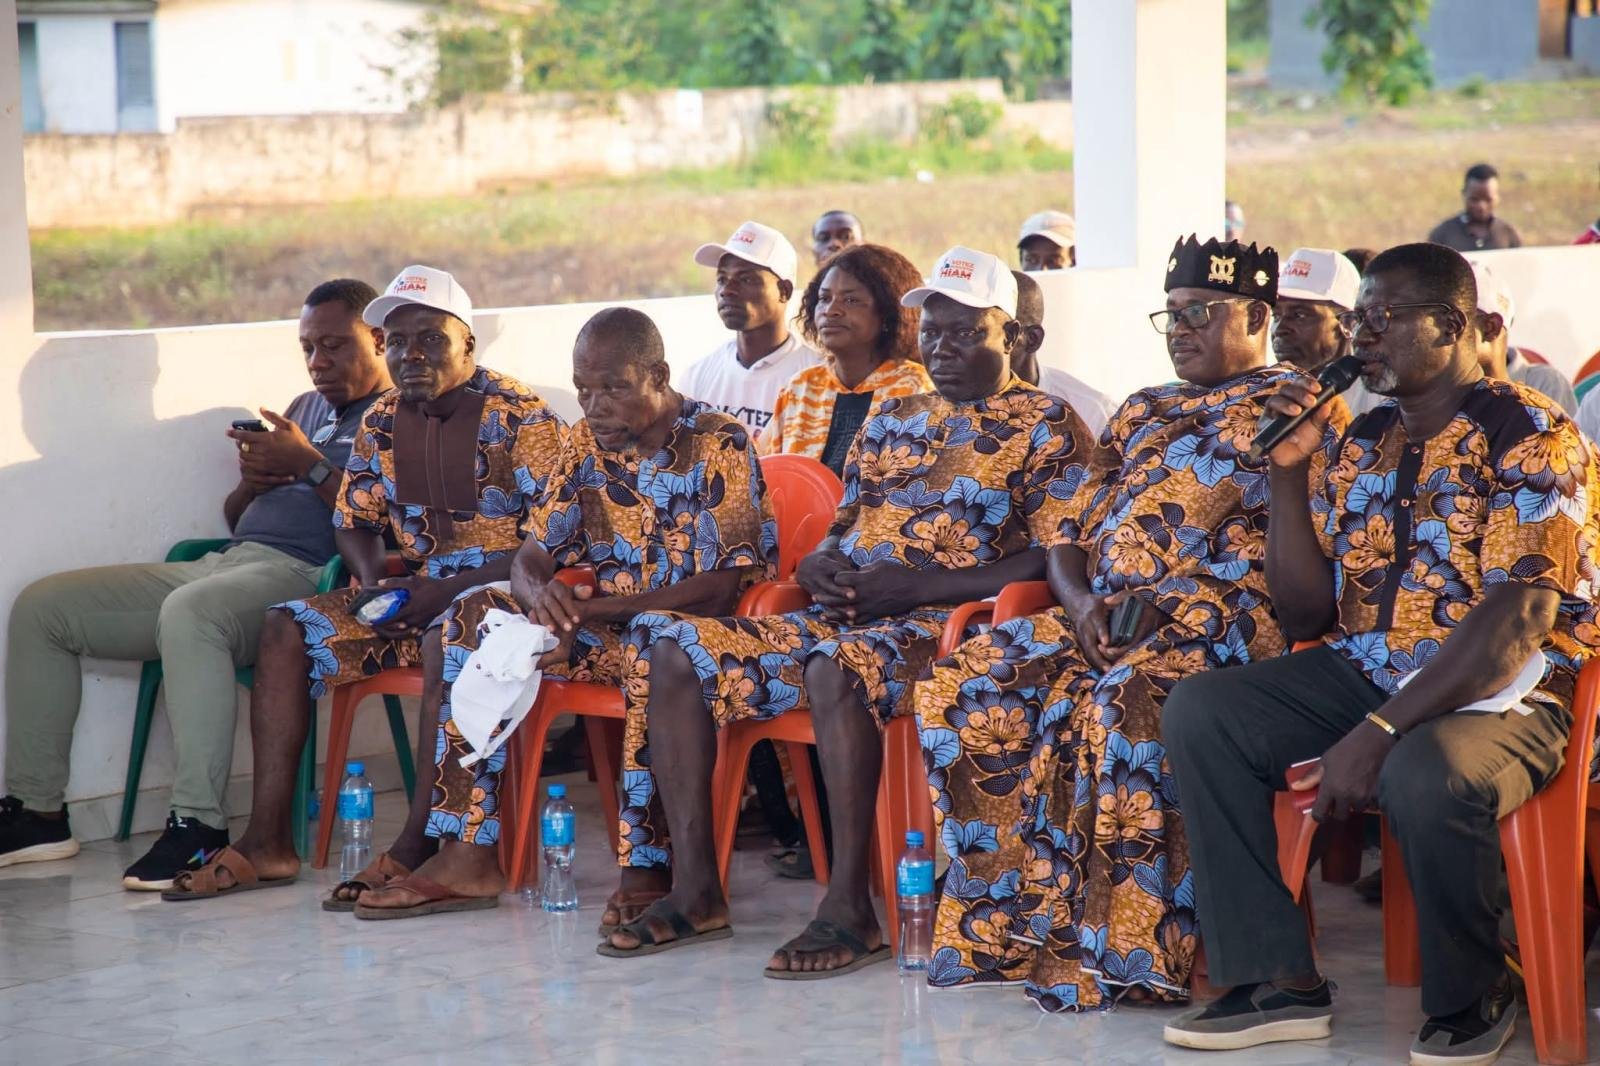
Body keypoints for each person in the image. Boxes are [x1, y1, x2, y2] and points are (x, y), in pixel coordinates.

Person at [600, 247, 1098, 974]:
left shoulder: (1047, 426)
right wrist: (820, 566)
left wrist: (918, 590)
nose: (944, 347)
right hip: (846, 615)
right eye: (933, 330)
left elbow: (1052, 558)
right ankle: (695, 890)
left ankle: (849, 909)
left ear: (1014, 338)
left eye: (967, 332)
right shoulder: (892, 418)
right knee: (670, 645)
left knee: (839, 665)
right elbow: (838, 532)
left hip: (949, 631)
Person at [1161, 243, 1598, 1065]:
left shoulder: (1531, 432)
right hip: (1368, 667)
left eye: (1385, 318)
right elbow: (1306, 611)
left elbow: (1519, 616)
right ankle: (1278, 978)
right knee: (1204, 711)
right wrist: (1288, 473)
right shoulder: (1361, 440)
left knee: (1424, 770)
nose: (1363, 337)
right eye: (1359, 319)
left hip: (1513, 689)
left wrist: (1381, 731)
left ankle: (1479, 987)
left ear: (1456, 326)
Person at [914, 236, 1348, 1011]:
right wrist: (1079, 605)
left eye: (1201, 314)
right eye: (1172, 315)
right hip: (1102, 617)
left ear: (1256, 315)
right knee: (965, 681)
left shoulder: (1301, 406)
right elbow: (1067, 535)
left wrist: (1145, 616)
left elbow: (1310, 565)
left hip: (1225, 628)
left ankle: (1131, 952)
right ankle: (1008, 926)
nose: (1181, 329)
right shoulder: (1143, 408)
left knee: (1123, 702)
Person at [354, 307, 777, 920]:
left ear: (658, 376)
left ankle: (648, 868)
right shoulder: (585, 441)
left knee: (656, 642)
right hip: (597, 629)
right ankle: (467, 851)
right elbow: (531, 556)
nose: (595, 405)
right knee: (473, 615)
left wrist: (591, 612)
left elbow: (719, 590)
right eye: (583, 388)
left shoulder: (719, 442)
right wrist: (539, 599)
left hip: (700, 642)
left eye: (614, 388)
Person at [160, 266, 565, 900]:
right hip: (416, 596)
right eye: (398, 341)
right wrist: (377, 582)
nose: (411, 355)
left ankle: (419, 844)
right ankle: (267, 841)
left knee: (449, 633)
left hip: (505, 597)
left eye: (430, 339)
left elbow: (553, 545)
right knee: (285, 627)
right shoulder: (384, 420)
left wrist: (442, 594)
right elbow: (354, 520)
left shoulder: (524, 419)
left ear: (468, 344)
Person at [0, 279, 391, 889]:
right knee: (44, 606)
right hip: (228, 562)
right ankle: (36, 813)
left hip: (306, 577)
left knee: (192, 612)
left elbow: (389, 528)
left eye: (335, 347)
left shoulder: (397, 417)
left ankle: (199, 828)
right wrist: (255, 482)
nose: (318, 363)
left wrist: (308, 465)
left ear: (380, 340)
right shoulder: (306, 407)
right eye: (308, 348)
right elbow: (240, 521)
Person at [758, 243, 932, 474]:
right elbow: (766, 475)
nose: (831, 310)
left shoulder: (915, 387)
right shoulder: (801, 387)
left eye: (850, 300)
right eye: (824, 298)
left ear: (888, 313)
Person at [678, 221, 821, 437]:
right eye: (722, 279)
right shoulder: (697, 376)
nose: (727, 290)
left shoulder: (817, 376)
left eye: (745, 279)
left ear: (784, 290)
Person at [1272, 247, 1378, 418]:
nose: (1279, 329)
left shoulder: (1377, 398)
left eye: (1300, 315)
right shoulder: (1265, 394)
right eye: (1276, 315)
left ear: (1349, 323)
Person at [1009, 270, 1115, 436]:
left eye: (969, 333)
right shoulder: (956, 411)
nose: (953, 347)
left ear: (1033, 339)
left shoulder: (1090, 412)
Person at [1470, 260, 1578, 415]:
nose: (1448, 330)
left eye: (1459, 321)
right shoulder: (1438, 390)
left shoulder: (1544, 383)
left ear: (1490, 327)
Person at [1428, 163, 1523, 251]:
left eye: (1488, 200)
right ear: (1464, 194)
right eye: (1474, 199)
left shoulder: (1508, 235)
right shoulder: (1442, 235)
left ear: (1497, 197)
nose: (1481, 206)